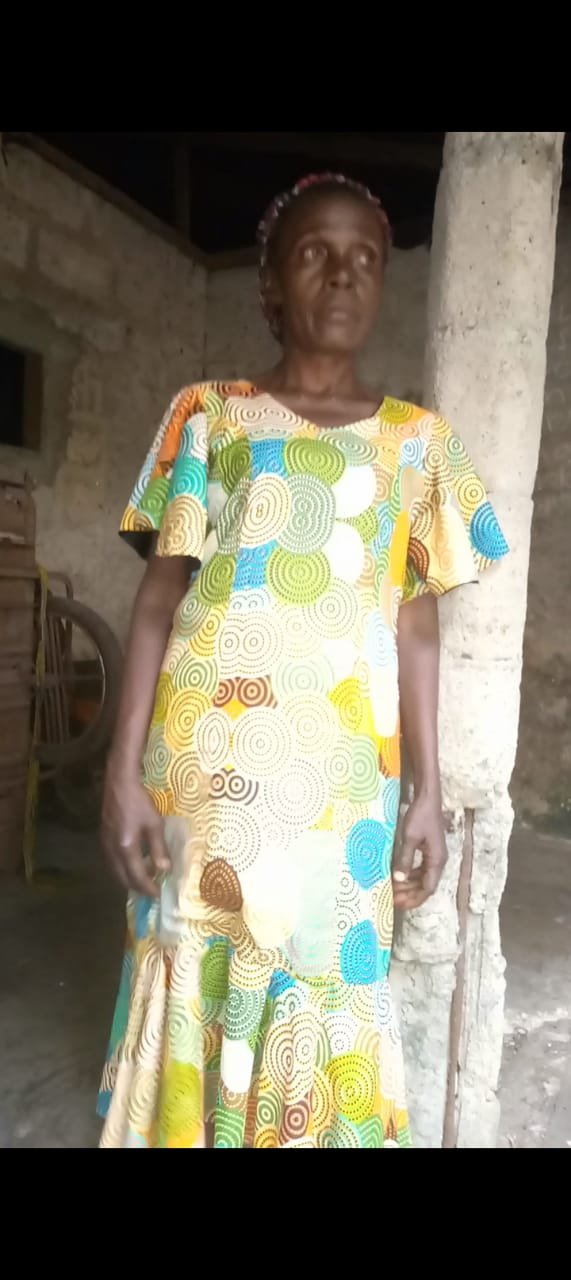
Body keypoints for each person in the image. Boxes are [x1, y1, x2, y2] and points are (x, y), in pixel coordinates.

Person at [98, 173, 508, 1149]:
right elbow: (157, 601)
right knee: (192, 949)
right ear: (271, 285)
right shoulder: (208, 416)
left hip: (341, 784)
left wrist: (427, 791)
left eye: (365, 258)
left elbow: (415, 627)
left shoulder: (421, 445)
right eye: (315, 253)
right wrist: (119, 772)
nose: (343, 274)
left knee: (329, 967)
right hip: (204, 772)